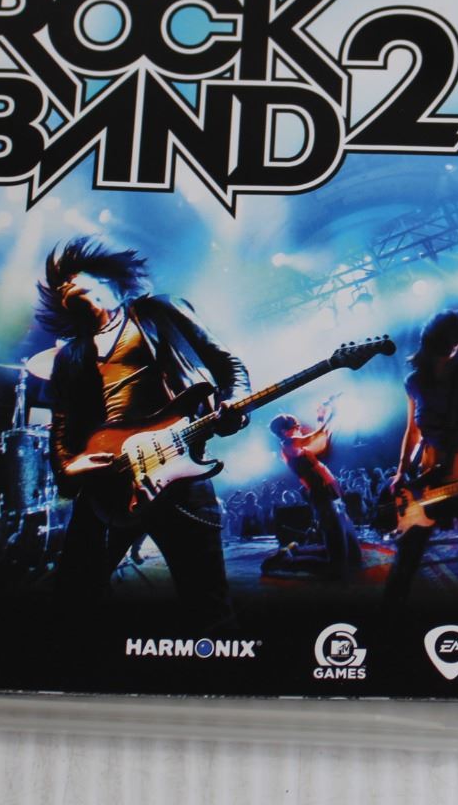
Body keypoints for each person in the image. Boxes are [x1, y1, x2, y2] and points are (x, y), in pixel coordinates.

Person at [35, 237, 248, 628]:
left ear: (110, 282)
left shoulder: (159, 311)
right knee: (72, 600)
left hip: (177, 471)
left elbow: (227, 364)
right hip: (108, 483)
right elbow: (61, 422)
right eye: (60, 286)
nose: (66, 285)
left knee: (209, 607)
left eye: (74, 277)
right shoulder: (71, 355)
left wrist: (234, 401)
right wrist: (68, 465)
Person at [385, 310, 458, 601]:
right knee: (405, 565)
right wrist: (401, 472)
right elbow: (413, 432)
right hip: (431, 486)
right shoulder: (416, 382)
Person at [261, 406, 363, 579]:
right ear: (284, 431)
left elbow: (321, 441)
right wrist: (329, 416)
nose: (299, 428)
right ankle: (285, 561)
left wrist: (322, 418)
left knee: (354, 558)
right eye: (296, 426)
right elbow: (316, 437)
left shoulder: (298, 446)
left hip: (333, 496)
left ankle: (295, 551)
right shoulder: (289, 444)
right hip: (324, 497)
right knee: (337, 567)